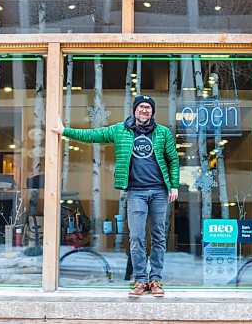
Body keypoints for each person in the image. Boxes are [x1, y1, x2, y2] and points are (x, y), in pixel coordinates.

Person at [52, 95, 180, 297]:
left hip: (159, 191)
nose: (144, 111)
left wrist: (174, 186)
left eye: (148, 107)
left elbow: (173, 159)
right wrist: (64, 131)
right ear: (135, 110)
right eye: (141, 107)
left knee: (158, 236)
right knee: (137, 237)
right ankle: (140, 280)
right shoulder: (120, 130)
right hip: (135, 191)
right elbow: (94, 135)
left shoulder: (162, 132)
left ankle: (155, 279)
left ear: (152, 111)